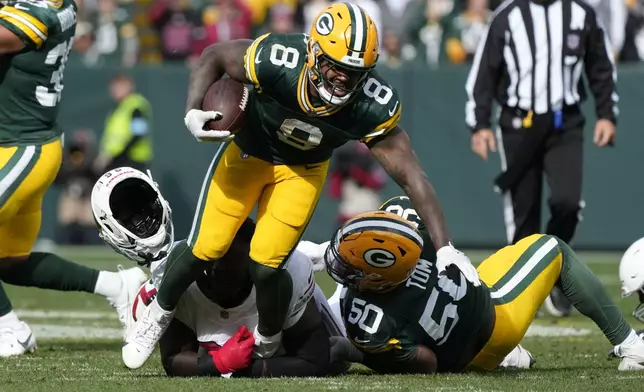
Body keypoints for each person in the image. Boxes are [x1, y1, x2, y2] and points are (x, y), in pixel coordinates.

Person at [122, 2, 479, 370]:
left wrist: (447, 247)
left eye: (353, 71)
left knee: (267, 262)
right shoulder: (279, 58)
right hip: (248, 153)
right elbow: (214, 55)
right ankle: (157, 314)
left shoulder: (372, 103)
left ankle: (268, 337)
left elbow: (411, 175)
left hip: (302, 170)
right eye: (335, 66)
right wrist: (193, 108)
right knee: (206, 247)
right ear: (313, 53)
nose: (342, 78)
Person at [325, 197, 644, 373]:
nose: (342, 267)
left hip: (461, 340)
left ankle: (509, 358)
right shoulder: (408, 237)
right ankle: (632, 345)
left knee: (512, 254)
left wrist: (363, 354)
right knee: (552, 248)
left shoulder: (366, 320)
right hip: (494, 319)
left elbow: (426, 360)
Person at [90, 167, 347, 378]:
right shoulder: (175, 277)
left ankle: (326, 261)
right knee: (146, 301)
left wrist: (242, 370)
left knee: (343, 348)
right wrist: (219, 364)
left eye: (229, 270)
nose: (218, 274)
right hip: (175, 282)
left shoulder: (290, 271)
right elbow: (173, 359)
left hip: (290, 286)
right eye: (211, 266)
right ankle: (148, 306)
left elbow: (316, 359)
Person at [0, 0, 146, 356]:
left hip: (22, 147)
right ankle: (118, 286)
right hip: (28, 142)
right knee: (10, 262)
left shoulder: (38, 10)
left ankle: (8, 329)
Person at [465, 0, 618, 317]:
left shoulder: (581, 13)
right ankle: (524, 287)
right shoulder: (507, 16)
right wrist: (479, 124)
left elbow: (601, 66)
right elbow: (484, 73)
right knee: (524, 212)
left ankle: (556, 273)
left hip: (565, 124)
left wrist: (607, 114)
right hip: (519, 125)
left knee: (568, 202)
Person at [95, 73, 153, 174]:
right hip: (117, 161)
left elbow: (138, 134)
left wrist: (119, 155)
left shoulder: (136, 106)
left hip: (132, 161)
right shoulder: (118, 108)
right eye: (114, 87)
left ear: (129, 86)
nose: (116, 90)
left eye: (120, 86)